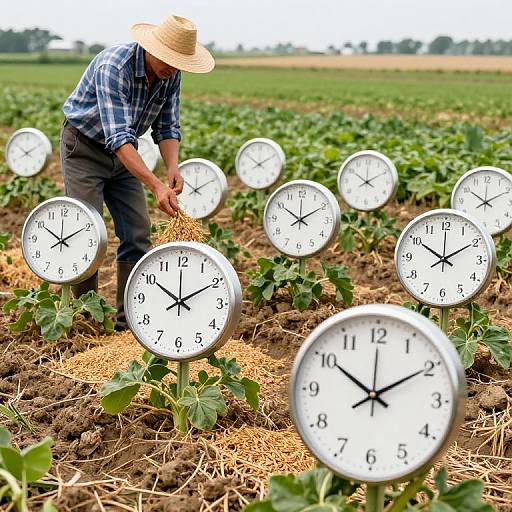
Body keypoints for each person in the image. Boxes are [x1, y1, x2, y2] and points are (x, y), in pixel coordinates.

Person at [60, 15, 215, 330]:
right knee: (88, 231)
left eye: (179, 63)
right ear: (151, 47)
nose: (173, 67)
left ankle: (127, 319)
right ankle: (85, 318)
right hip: (85, 148)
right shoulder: (113, 68)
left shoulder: (171, 73)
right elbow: (117, 139)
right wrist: (156, 185)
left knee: (138, 231)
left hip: (127, 155)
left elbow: (167, 125)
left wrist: (172, 168)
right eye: (169, 60)